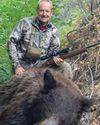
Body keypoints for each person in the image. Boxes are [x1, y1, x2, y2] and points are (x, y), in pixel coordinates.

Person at [8, 0, 73, 79]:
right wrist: (16, 66)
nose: (44, 14)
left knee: (65, 67)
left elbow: (54, 51)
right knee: (20, 87)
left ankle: (64, 90)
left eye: (47, 11)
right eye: (41, 10)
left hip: (42, 64)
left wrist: (55, 59)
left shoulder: (53, 30)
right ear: (37, 11)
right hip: (22, 65)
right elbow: (11, 42)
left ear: (51, 13)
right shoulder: (25, 23)